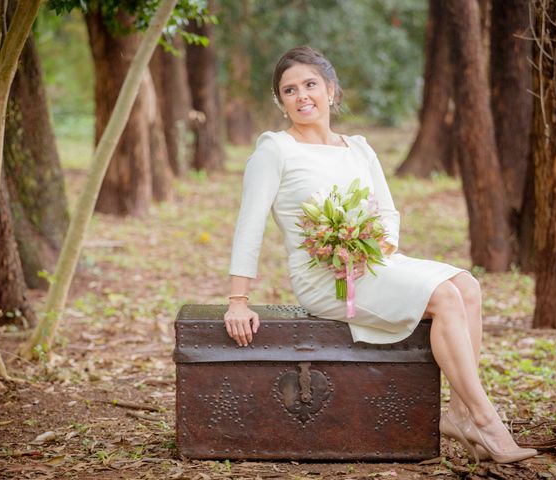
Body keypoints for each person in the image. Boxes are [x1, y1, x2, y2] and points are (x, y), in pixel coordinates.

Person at [224, 46, 537, 464]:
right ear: (280, 102)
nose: (302, 96)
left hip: (373, 262)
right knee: (444, 297)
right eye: (289, 90)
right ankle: (485, 420)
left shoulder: (358, 148)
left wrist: (375, 244)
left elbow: (387, 213)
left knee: (467, 285)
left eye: (311, 84)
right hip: (325, 279)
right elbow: (250, 225)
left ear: (331, 90)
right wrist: (237, 301)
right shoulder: (274, 151)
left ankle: (460, 413)